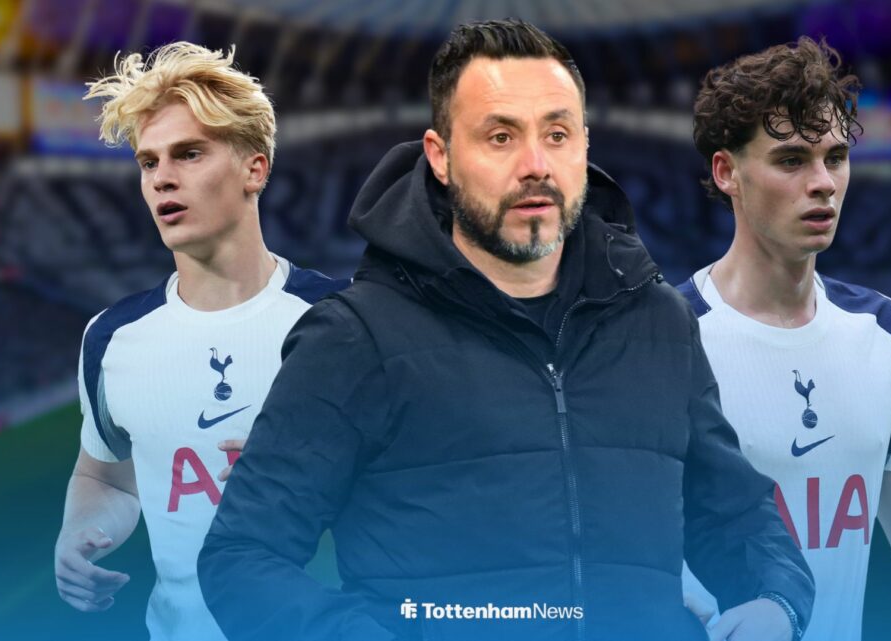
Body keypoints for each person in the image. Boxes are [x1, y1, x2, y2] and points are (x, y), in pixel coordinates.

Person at [199, 19, 812, 641]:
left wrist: (775, 604)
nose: (535, 165)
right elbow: (244, 559)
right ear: (440, 157)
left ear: (584, 144)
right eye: (500, 136)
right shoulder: (355, 338)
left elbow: (735, 518)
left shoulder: (660, 322)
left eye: (557, 133)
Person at [678, 37, 891, 641]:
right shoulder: (665, 336)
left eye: (836, 156)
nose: (824, 183)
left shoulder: (885, 333)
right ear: (726, 171)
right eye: (791, 160)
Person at [52, 42, 346, 641]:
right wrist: (80, 531)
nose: (163, 178)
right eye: (148, 162)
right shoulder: (113, 338)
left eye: (188, 154)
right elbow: (107, 476)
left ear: (254, 169)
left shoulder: (346, 319)